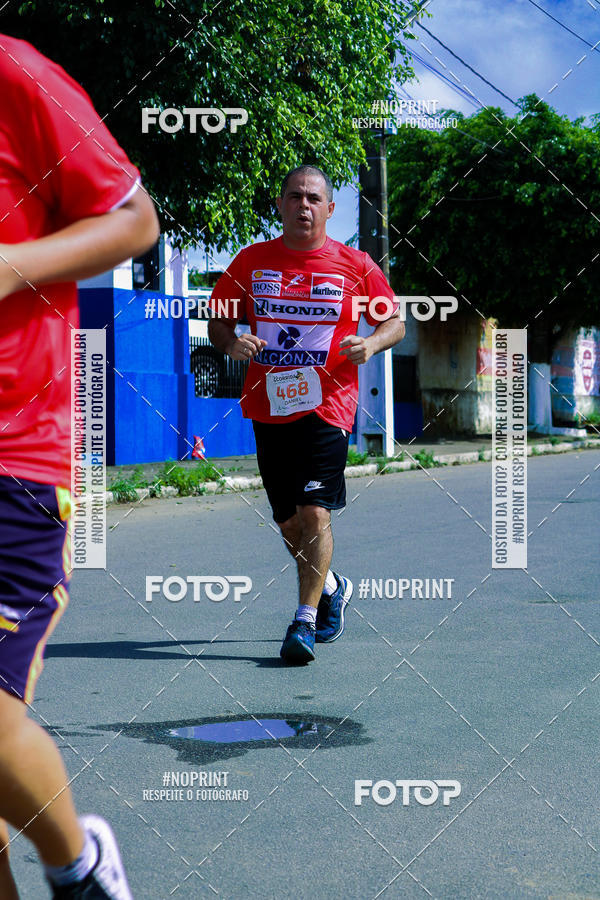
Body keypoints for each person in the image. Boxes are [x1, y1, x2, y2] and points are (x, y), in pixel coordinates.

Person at [0, 33, 159, 898]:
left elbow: (136, 222)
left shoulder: (16, 75)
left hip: (12, 458)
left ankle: (80, 865)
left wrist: (9, 266)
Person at [208, 164, 405, 665]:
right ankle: (334, 586)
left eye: (314, 198)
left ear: (330, 208)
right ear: (279, 203)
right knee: (290, 524)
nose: (303, 205)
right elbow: (218, 321)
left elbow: (395, 322)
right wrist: (231, 342)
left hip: (329, 404)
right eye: (294, 196)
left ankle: (303, 620)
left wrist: (371, 342)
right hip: (269, 407)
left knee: (316, 512)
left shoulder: (354, 264)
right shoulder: (250, 262)